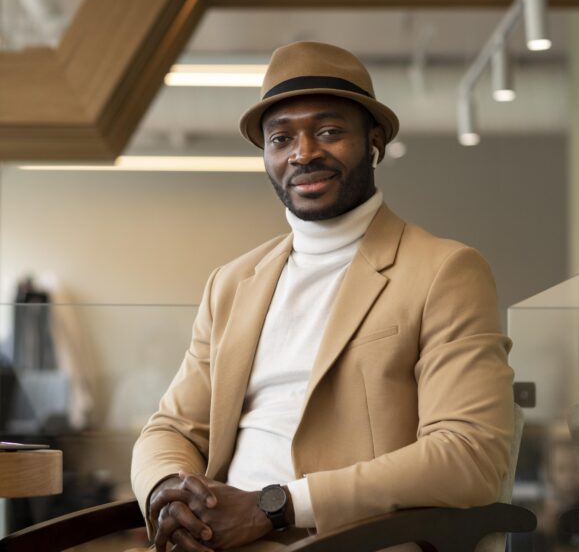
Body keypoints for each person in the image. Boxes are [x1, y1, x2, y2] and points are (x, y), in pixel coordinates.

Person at [130, 41, 515, 552]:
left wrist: (273, 506)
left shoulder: (444, 270)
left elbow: (470, 455)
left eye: (329, 131)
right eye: (281, 137)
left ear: (373, 140)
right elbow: (172, 427)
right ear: (266, 155)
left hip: (350, 540)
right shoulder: (231, 283)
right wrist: (170, 492)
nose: (304, 152)